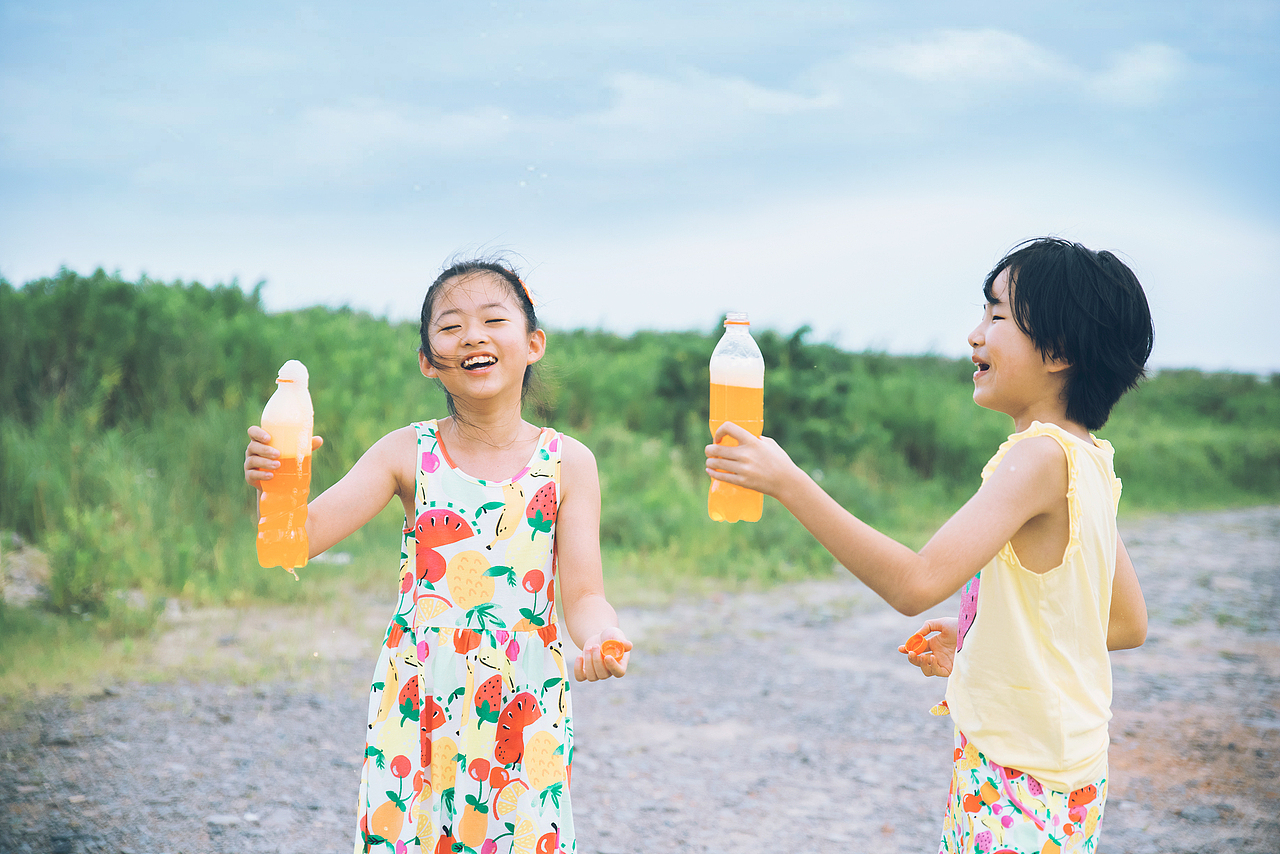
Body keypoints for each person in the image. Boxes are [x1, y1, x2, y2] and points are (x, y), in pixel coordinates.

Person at [705, 238, 1152, 853]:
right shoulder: (1090, 462)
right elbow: (1125, 622)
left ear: (1058, 350)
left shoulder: (1037, 457)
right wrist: (983, 632)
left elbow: (914, 583)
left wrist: (788, 482)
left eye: (996, 316)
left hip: (1014, 782)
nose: (975, 334)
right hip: (1068, 780)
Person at [245, 260, 631, 854]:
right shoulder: (406, 451)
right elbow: (296, 540)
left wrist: (600, 635)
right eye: (450, 327)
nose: (473, 335)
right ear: (429, 360)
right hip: (419, 694)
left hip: (523, 701)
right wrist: (276, 484)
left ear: (532, 344)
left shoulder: (568, 462)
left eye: (494, 319)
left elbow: (583, 595)